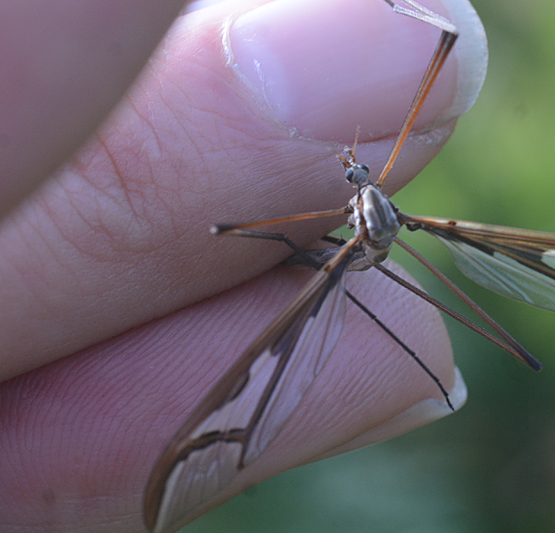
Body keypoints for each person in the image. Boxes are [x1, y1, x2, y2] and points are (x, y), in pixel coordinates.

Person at [0, 0, 486, 529]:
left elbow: (283, 234)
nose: (355, 172)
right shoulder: (372, 188)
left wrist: (232, 230)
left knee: (286, 264)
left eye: (356, 174)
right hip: (356, 246)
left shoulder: (351, 212)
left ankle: (220, 440)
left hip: (347, 254)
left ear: (357, 185)